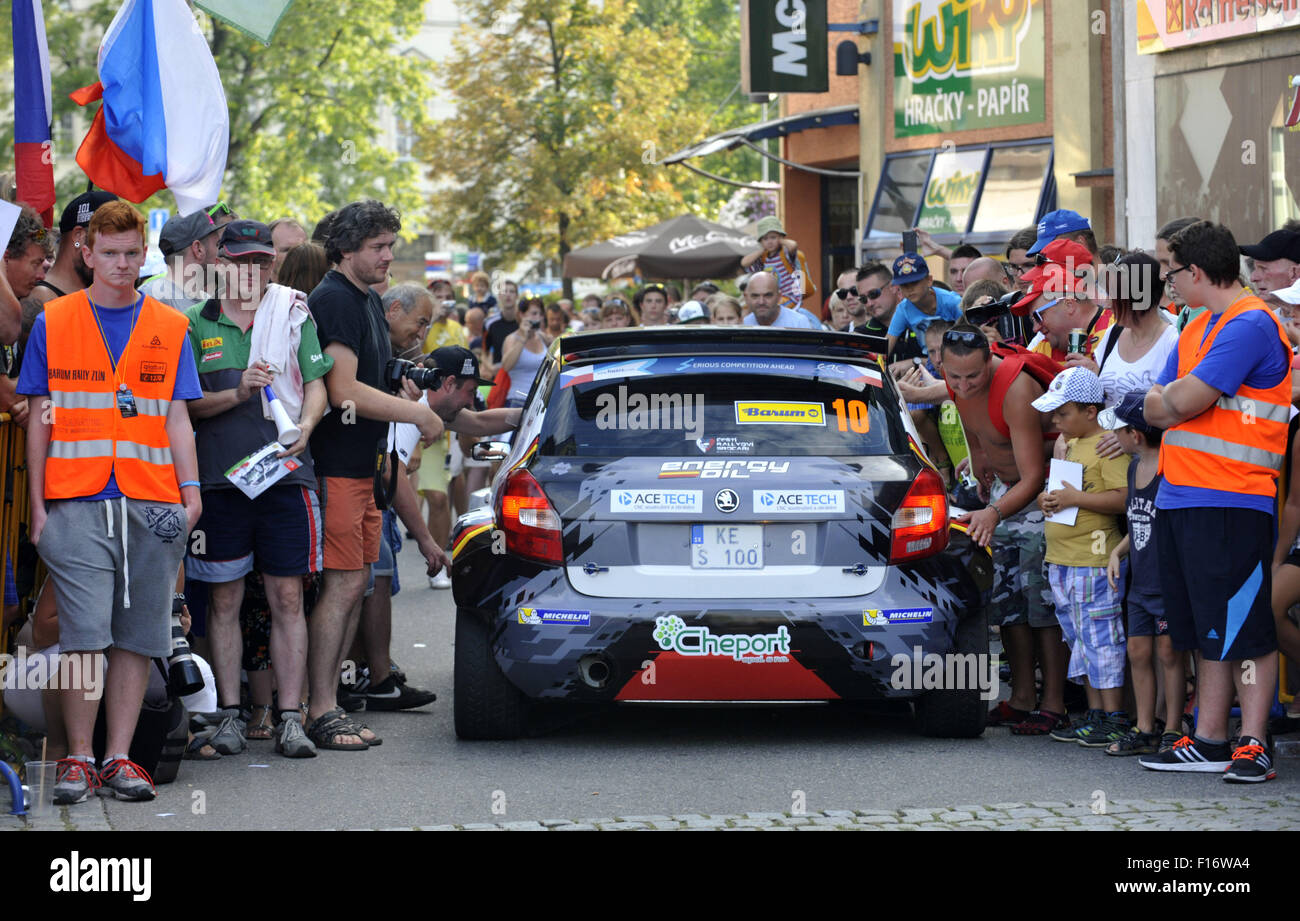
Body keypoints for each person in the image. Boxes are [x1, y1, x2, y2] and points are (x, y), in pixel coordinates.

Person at [18, 200, 203, 802]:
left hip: (152, 504)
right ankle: (77, 758)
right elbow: (38, 418)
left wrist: (190, 496)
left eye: (132, 253)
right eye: (111, 253)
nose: (122, 265)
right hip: (75, 503)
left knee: (138, 638)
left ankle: (118, 759)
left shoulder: (171, 326)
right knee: (83, 637)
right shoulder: (54, 319)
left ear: (142, 254)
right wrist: (38, 508)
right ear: (86, 252)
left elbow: (177, 418)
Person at [1140, 220, 1289, 782]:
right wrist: (1170, 402)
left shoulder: (1250, 323)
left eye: (1171, 272)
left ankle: (1252, 741)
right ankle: (1209, 738)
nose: (1167, 283)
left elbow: (1179, 400)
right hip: (1184, 494)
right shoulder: (1199, 323)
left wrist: (1172, 402)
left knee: (1244, 626)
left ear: (1195, 272)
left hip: (1233, 495)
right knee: (1207, 627)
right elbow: (1159, 403)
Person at [182, 220, 331, 759]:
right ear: (220, 263)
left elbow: (317, 388)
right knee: (223, 598)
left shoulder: (292, 310)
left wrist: (307, 428)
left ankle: (290, 717)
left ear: (272, 264)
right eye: (242, 261)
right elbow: (185, 407)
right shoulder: (196, 323)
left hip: (285, 477)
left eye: (262, 262)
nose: (253, 272)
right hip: (221, 480)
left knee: (288, 596)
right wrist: (237, 390)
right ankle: (230, 714)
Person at [302, 199, 447, 752]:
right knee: (341, 587)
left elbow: (364, 377)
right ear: (346, 249)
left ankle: (329, 704)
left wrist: (399, 385)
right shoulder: (335, 298)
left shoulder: (363, 298)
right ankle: (321, 708)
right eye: (378, 247)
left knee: (355, 584)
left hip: (363, 468)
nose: (389, 255)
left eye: (390, 245)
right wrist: (416, 411)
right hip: (338, 468)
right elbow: (341, 391)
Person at [942, 325, 1064, 734]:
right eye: (955, 377)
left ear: (988, 363)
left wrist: (993, 512)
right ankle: (1022, 697)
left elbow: (1033, 477)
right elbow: (975, 435)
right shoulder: (955, 379)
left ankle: (1054, 702)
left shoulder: (1015, 388)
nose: (963, 385)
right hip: (1002, 493)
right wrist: (982, 472)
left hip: (1041, 495)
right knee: (1006, 600)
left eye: (972, 377)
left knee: (1041, 602)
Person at [1031, 367, 1132, 748]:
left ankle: (1114, 716)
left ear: (1091, 411)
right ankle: (1095, 713)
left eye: (1063, 413)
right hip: (1063, 559)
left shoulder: (1106, 444)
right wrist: (1049, 499)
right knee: (1078, 640)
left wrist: (1076, 499)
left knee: (1102, 639)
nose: (1055, 421)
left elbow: (1124, 496)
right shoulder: (1070, 444)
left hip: (1093, 562)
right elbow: (1067, 493)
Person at [1102, 392, 1185, 755]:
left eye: (1118, 430)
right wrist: (1117, 553)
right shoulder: (1134, 468)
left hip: (1165, 583)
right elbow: (1138, 523)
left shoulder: (1170, 471)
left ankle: (1172, 728)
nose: (1114, 437)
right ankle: (1145, 726)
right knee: (1138, 652)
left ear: (1135, 436)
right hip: (1139, 585)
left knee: (1169, 654)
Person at [1011, 239, 1111, 363]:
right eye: (1032, 320)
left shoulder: (1117, 332)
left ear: (1069, 304)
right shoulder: (1045, 345)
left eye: (1038, 316)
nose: (1035, 329)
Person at [138, 209, 221, 311]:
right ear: (198, 249)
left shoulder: (208, 301)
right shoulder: (153, 298)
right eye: (217, 244)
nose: (223, 250)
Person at [885, 253, 962, 358]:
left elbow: (971, 339)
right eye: (904, 285)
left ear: (929, 280)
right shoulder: (903, 310)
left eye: (914, 282)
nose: (909, 289)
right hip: (929, 362)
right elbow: (885, 348)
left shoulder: (953, 302)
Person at [740, 216, 812, 313]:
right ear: (761, 242)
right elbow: (744, 262)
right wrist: (761, 250)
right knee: (747, 310)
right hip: (772, 298)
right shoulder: (763, 259)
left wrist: (781, 241)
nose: (769, 241)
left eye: (773, 237)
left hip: (789, 297)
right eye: (765, 239)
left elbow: (793, 246)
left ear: (781, 237)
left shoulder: (785, 254)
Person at [1154, 216, 1204, 331]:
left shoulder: (1225, 315)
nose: (1162, 275)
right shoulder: (1186, 314)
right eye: (1159, 263)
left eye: (1168, 263)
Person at [501, 298, 553, 407]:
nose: (537, 317)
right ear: (521, 315)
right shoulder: (512, 338)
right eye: (534, 313)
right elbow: (506, 366)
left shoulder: (541, 336)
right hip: (518, 400)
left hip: (540, 401)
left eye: (540, 314)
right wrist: (523, 338)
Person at [1241, 229, 1300, 311]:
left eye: (1263, 268)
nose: (1253, 278)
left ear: (1294, 273)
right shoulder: (1269, 320)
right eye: (1255, 268)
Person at [743, 271, 814, 329]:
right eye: (755, 296)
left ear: (779, 296)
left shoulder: (798, 323)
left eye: (768, 295)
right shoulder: (744, 325)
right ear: (746, 297)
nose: (761, 302)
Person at [1026, 209, 1099, 261]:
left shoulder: (1107, 281)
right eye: (1044, 256)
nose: (1047, 262)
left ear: (1080, 244)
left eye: (1054, 251)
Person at [482, 279, 519, 372]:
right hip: (499, 376)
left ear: (517, 296)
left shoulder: (525, 322)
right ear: (499, 296)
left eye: (511, 291)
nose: (508, 294)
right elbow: (483, 353)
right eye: (504, 291)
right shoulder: (489, 323)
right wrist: (490, 368)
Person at [268, 218, 308, 284]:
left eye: (301, 248)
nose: (296, 255)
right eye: (287, 250)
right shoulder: (253, 290)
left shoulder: (316, 287)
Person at [1004, 226, 1039, 293]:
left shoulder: (1062, 301)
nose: (1019, 275)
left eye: (1028, 265)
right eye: (1014, 266)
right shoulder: (1011, 300)